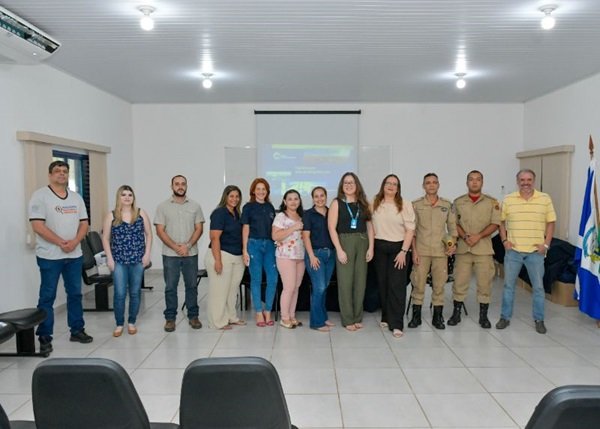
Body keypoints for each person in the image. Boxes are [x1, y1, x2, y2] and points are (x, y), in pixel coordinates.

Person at [29, 160, 93, 354]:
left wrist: (74, 242)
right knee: (47, 296)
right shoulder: (40, 196)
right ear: (50, 175)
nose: (62, 174)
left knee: (75, 294)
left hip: (74, 255)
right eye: (57, 171)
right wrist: (60, 242)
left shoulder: (76, 198)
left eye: (65, 171)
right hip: (50, 256)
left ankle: (77, 330)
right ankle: (44, 336)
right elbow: (37, 226)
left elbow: (84, 223)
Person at [496, 169, 556, 334]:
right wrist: (504, 241)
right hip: (513, 252)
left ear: (533, 181)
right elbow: (500, 222)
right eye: (522, 180)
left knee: (538, 288)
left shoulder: (545, 199)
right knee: (508, 286)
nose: (526, 183)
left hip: (535, 253)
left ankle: (539, 319)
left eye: (529, 180)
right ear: (517, 182)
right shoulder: (508, 199)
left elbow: (551, 223)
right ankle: (505, 317)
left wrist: (546, 245)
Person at [449, 171, 500, 328]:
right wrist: (465, 236)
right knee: (459, 282)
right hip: (464, 249)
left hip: (483, 249)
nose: (475, 182)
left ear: (482, 182)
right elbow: (454, 223)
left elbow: (495, 223)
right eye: (471, 179)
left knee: (485, 283)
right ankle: (456, 313)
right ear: (467, 183)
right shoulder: (458, 202)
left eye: (478, 179)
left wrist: (479, 236)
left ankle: (483, 316)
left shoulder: (492, 202)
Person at [155, 175, 205, 332]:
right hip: (170, 254)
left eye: (183, 184)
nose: (180, 186)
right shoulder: (162, 207)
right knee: (170, 287)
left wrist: (187, 246)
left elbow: (199, 229)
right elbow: (160, 231)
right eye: (177, 184)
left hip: (191, 253)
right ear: (172, 186)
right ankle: (170, 319)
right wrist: (176, 247)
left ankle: (193, 316)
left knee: (192, 286)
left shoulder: (195, 206)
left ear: (186, 186)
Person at [101, 185, 152, 337]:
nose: (127, 197)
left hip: (137, 260)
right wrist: (110, 259)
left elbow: (149, 234)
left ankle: (131, 322)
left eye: (130, 195)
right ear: (119, 197)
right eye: (123, 195)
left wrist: (147, 254)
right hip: (119, 261)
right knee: (120, 293)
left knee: (135, 293)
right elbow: (105, 238)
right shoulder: (111, 216)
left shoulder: (141, 213)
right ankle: (119, 324)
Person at [409, 173, 457, 330]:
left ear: (438, 185)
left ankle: (438, 317)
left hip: (440, 252)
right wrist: (414, 251)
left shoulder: (447, 205)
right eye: (428, 182)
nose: (431, 185)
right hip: (421, 251)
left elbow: (452, 229)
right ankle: (416, 317)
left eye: (434, 182)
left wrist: (451, 245)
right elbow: (412, 231)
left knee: (439, 285)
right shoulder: (416, 205)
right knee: (418, 284)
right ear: (423, 186)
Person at [328, 172, 374, 332]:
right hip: (344, 242)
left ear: (357, 185)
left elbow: (370, 227)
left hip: (362, 242)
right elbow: (331, 228)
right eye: (346, 182)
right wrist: (339, 250)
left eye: (351, 182)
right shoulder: (336, 203)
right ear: (342, 185)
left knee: (360, 282)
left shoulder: (364, 203)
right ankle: (348, 318)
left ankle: (357, 317)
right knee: (345, 282)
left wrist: (371, 247)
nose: (348, 185)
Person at [371, 174, 415, 338]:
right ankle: (386, 316)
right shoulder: (374, 202)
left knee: (397, 286)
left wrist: (404, 251)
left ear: (398, 188)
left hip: (399, 248)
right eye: (388, 183)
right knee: (383, 284)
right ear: (383, 185)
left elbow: (410, 230)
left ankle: (397, 323)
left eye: (394, 184)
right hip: (380, 247)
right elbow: (370, 226)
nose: (391, 186)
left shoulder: (405, 204)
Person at [205, 185, 246, 330]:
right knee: (219, 292)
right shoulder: (219, 213)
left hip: (237, 257)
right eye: (231, 196)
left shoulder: (237, 213)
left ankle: (231, 317)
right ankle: (217, 322)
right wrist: (218, 261)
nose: (235, 199)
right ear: (225, 197)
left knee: (232, 291)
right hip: (221, 255)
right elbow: (214, 238)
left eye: (237, 196)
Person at [242, 178, 278, 327]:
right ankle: (258, 312)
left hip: (269, 246)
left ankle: (267, 311)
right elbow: (245, 228)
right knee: (256, 279)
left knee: (273, 279)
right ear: (253, 191)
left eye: (264, 189)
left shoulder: (270, 207)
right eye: (258, 189)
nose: (261, 191)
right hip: (254, 245)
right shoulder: (248, 207)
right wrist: (244, 250)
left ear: (267, 191)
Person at [302, 186, 336, 332]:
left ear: (326, 196)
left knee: (324, 287)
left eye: (322, 195)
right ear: (312, 198)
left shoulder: (332, 212)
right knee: (319, 287)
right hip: (315, 255)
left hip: (331, 254)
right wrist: (311, 256)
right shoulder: (308, 214)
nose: (319, 199)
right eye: (316, 196)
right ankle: (316, 323)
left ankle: (323, 317)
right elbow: (305, 237)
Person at [272, 190, 305, 329]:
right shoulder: (281, 216)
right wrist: (293, 227)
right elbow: (275, 236)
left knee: (296, 288)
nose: (293, 201)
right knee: (289, 287)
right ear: (285, 201)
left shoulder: (301, 216)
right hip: (285, 256)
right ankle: (284, 318)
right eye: (290, 199)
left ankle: (292, 316)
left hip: (300, 257)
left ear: (299, 201)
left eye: (296, 199)